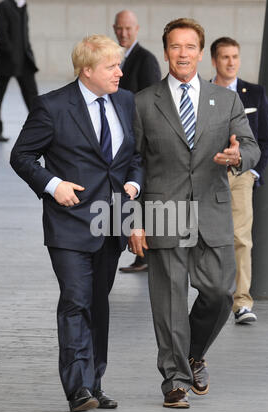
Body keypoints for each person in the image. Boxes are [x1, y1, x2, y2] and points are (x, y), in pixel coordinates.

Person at [129, 18, 260, 408]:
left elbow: (252, 147)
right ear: (166, 50)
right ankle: (174, 380)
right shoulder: (142, 102)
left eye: (190, 47)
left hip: (212, 212)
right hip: (164, 209)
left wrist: (238, 156)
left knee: (220, 293)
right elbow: (132, 162)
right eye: (175, 46)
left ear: (201, 53)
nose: (182, 54)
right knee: (168, 300)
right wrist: (133, 220)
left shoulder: (227, 99)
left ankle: (193, 353)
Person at [10, 34, 142, 412]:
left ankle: (94, 383)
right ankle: (78, 390)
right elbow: (22, 156)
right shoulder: (52, 107)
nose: (120, 72)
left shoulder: (124, 100)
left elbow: (133, 155)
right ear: (87, 71)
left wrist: (134, 182)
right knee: (75, 301)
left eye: (119, 64)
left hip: (111, 222)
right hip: (68, 224)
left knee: (98, 305)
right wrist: (53, 185)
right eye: (111, 67)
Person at [211, 37, 268, 325]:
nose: (231, 62)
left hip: (240, 175)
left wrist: (252, 172)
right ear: (214, 60)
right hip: (205, 176)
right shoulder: (201, 93)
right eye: (225, 57)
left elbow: (265, 139)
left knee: (240, 239)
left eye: (235, 56)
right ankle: (210, 296)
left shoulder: (255, 93)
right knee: (204, 237)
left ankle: (242, 302)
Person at [113, 9, 162, 272]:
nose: (123, 33)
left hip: (137, 137)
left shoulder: (145, 60)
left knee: (137, 194)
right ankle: (139, 251)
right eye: (119, 28)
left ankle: (144, 252)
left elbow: (151, 100)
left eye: (128, 28)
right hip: (120, 137)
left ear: (137, 29)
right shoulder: (114, 59)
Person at [0, 0, 38, 142]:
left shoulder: (24, 6)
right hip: (3, 62)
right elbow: (0, 33)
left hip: (25, 62)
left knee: (34, 99)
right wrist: (10, 52)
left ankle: (40, 131)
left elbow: (25, 34)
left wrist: (29, 52)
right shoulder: (3, 6)